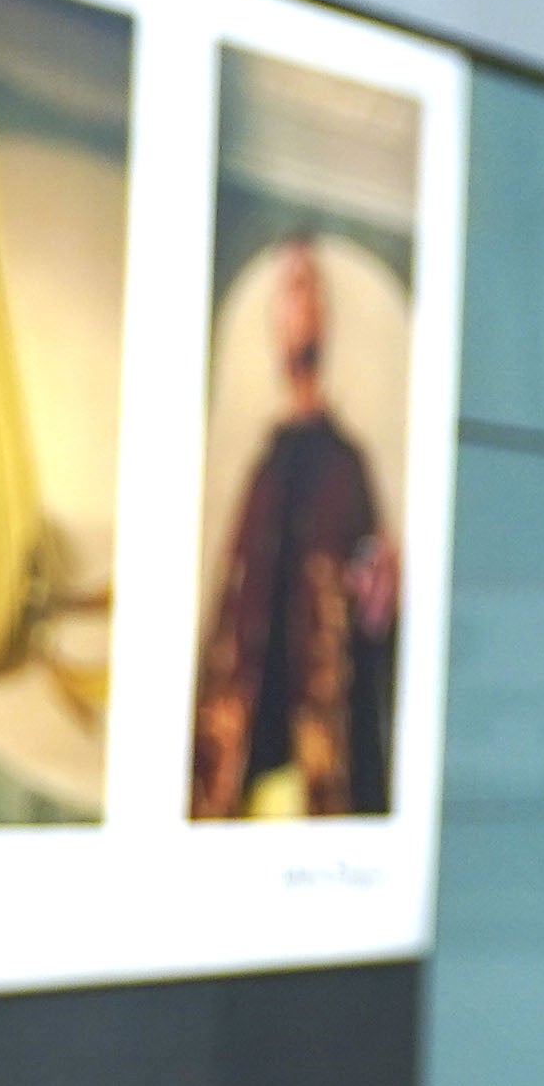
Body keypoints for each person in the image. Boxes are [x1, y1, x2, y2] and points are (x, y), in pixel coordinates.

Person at [190, 236, 398, 820]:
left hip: (321, 770)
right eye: (285, 293)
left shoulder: (345, 464)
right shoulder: (259, 461)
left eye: (305, 289)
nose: (295, 307)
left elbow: (372, 612)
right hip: (240, 766)